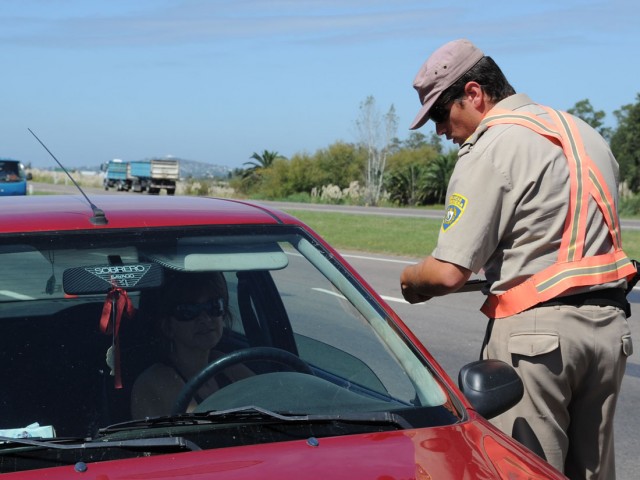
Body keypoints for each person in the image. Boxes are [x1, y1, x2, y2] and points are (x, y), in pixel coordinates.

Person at [400, 39, 635, 479]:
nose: (440, 131)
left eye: (439, 114)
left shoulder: (493, 145)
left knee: (522, 469)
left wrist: (411, 280)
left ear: (474, 93)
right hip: (609, 331)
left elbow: (449, 272)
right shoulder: (584, 133)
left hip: (537, 340)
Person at [131, 271, 252, 418]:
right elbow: (204, 430)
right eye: (188, 311)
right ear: (168, 326)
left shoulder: (225, 364)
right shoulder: (156, 379)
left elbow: (273, 395)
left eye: (213, 306)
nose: (205, 319)